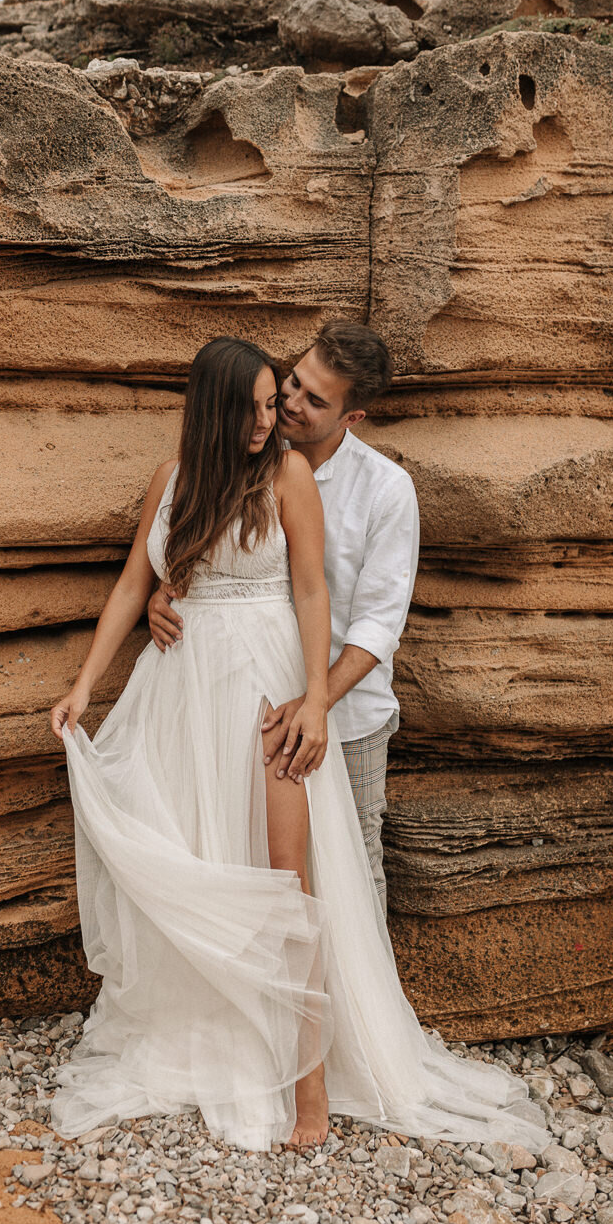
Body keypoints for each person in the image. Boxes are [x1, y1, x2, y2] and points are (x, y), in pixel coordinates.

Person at [48, 335, 549, 1157]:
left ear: (350, 413)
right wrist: (89, 679)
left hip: (280, 696)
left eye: (293, 401)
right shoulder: (178, 482)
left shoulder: (327, 483)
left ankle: (317, 1072)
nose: (277, 413)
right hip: (187, 696)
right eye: (271, 397)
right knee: (205, 852)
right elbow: (138, 581)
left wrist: (311, 700)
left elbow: (323, 597)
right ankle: (223, 1032)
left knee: (306, 882)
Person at [149, 320, 415, 914]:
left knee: (352, 870)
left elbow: (378, 624)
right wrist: (165, 592)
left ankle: (358, 1006)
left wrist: (317, 703)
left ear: (353, 417)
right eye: (293, 382)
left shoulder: (386, 491)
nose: (291, 404)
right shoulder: (247, 460)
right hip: (255, 708)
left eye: (315, 400)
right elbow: (210, 553)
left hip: (348, 719)